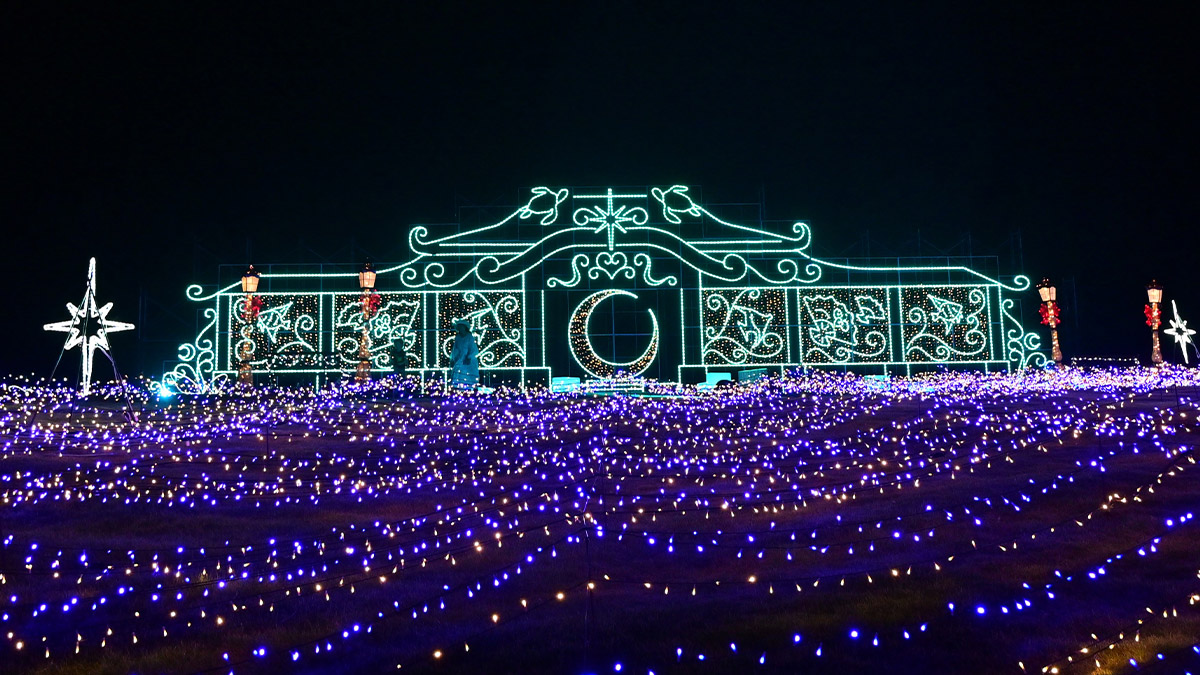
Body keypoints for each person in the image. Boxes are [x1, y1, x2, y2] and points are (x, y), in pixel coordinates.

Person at [448, 320, 479, 388]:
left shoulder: (469, 337)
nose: (460, 329)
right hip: (459, 358)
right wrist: (453, 358)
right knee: (459, 375)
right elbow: (455, 348)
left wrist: (469, 357)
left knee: (468, 375)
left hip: (468, 359)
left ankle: (469, 389)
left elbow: (473, 348)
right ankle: (459, 389)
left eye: (461, 327)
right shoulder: (458, 337)